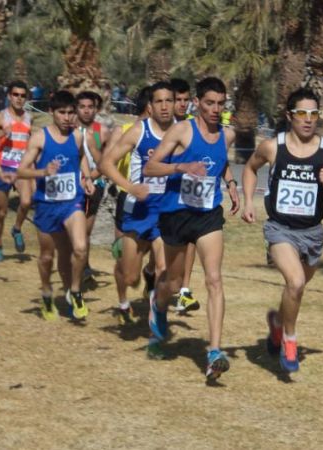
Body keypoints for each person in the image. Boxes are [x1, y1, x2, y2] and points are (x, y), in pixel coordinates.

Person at [241, 88, 323, 372]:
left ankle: (278, 324)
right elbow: (250, 168)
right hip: (280, 229)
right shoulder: (272, 147)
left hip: (313, 233)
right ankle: (289, 341)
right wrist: (248, 202)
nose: (308, 120)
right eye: (302, 113)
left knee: (296, 290)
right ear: (290, 116)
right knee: (295, 283)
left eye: (313, 114)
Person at [143, 77, 241, 381]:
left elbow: (221, 162)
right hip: (175, 213)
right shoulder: (182, 130)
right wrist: (180, 167)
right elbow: (150, 167)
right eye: (209, 103)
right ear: (197, 102)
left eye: (220, 104)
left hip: (207, 214)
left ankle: (214, 352)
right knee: (172, 285)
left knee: (213, 279)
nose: (215, 109)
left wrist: (231, 184)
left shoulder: (227, 135)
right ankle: (158, 307)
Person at [100, 81, 175, 326]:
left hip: (165, 209)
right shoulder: (138, 132)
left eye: (169, 101)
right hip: (137, 207)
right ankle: (134, 284)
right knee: (131, 276)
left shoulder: (182, 131)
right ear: (150, 107)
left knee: (165, 266)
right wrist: (130, 186)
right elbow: (107, 163)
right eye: (159, 101)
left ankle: (157, 320)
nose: (165, 106)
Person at [16, 90, 96, 321]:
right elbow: (21, 170)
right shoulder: (40, 138)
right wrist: (43, 171)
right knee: (47, 257)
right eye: (62, 112)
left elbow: (81, 157)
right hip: (47, 205)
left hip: (72, 203)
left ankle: (75, 291)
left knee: (80, 248)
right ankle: (46, 291)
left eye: (71, 113)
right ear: (51, 112)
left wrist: (87, 178)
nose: (67, 117)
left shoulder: (78, 136)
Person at [0, 80, 33, 262]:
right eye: (16, 95)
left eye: (22, 96)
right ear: (9, 96)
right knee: (1, 211)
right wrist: (1, 134)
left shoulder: (30, 117)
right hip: (4, 167)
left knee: (27, 201)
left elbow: (29, 142)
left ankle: (17, 228)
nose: (19, 99)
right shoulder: (0, 117)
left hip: (21, 168)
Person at [169, 77, 200, 313]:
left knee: (191, 240)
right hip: (161, 197)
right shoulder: (161, 126)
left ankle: (185, 291)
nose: (181, 104)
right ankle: (155, 280)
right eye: (177, 99)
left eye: (185, 100)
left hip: (188, 195)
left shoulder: (194, 125)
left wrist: (229, 180)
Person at [74, 91, 110, 282]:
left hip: (95, 185)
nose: (86, 111)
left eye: (90, 107)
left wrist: (90, 178)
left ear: (95, 109)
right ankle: (77, 264)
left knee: (86, 230)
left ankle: (84, 265)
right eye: (82, 107)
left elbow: (106, 161)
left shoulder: (100, 132)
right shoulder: (69, 129)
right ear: (76, 108)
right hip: (72, 184)